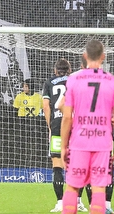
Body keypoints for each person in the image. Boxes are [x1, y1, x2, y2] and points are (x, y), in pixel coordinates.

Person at [59, 40, 114, 214]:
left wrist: (64, 146)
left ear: (85, 56)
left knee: (72, 187)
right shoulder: (112, 81)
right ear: (103, 57)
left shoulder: (73, 80)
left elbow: (66, 117)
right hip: (102, 143)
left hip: (79, 142)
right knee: (98, 189)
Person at [42, 59, 81, 213]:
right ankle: (77, 201)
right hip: (75, 124)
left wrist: (50, 126)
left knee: (57, 164)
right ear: (69, 70)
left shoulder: (49, 82)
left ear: (55, 70)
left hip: (57, 125)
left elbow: (46, 106)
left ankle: (59, 202)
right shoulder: (75, 81)